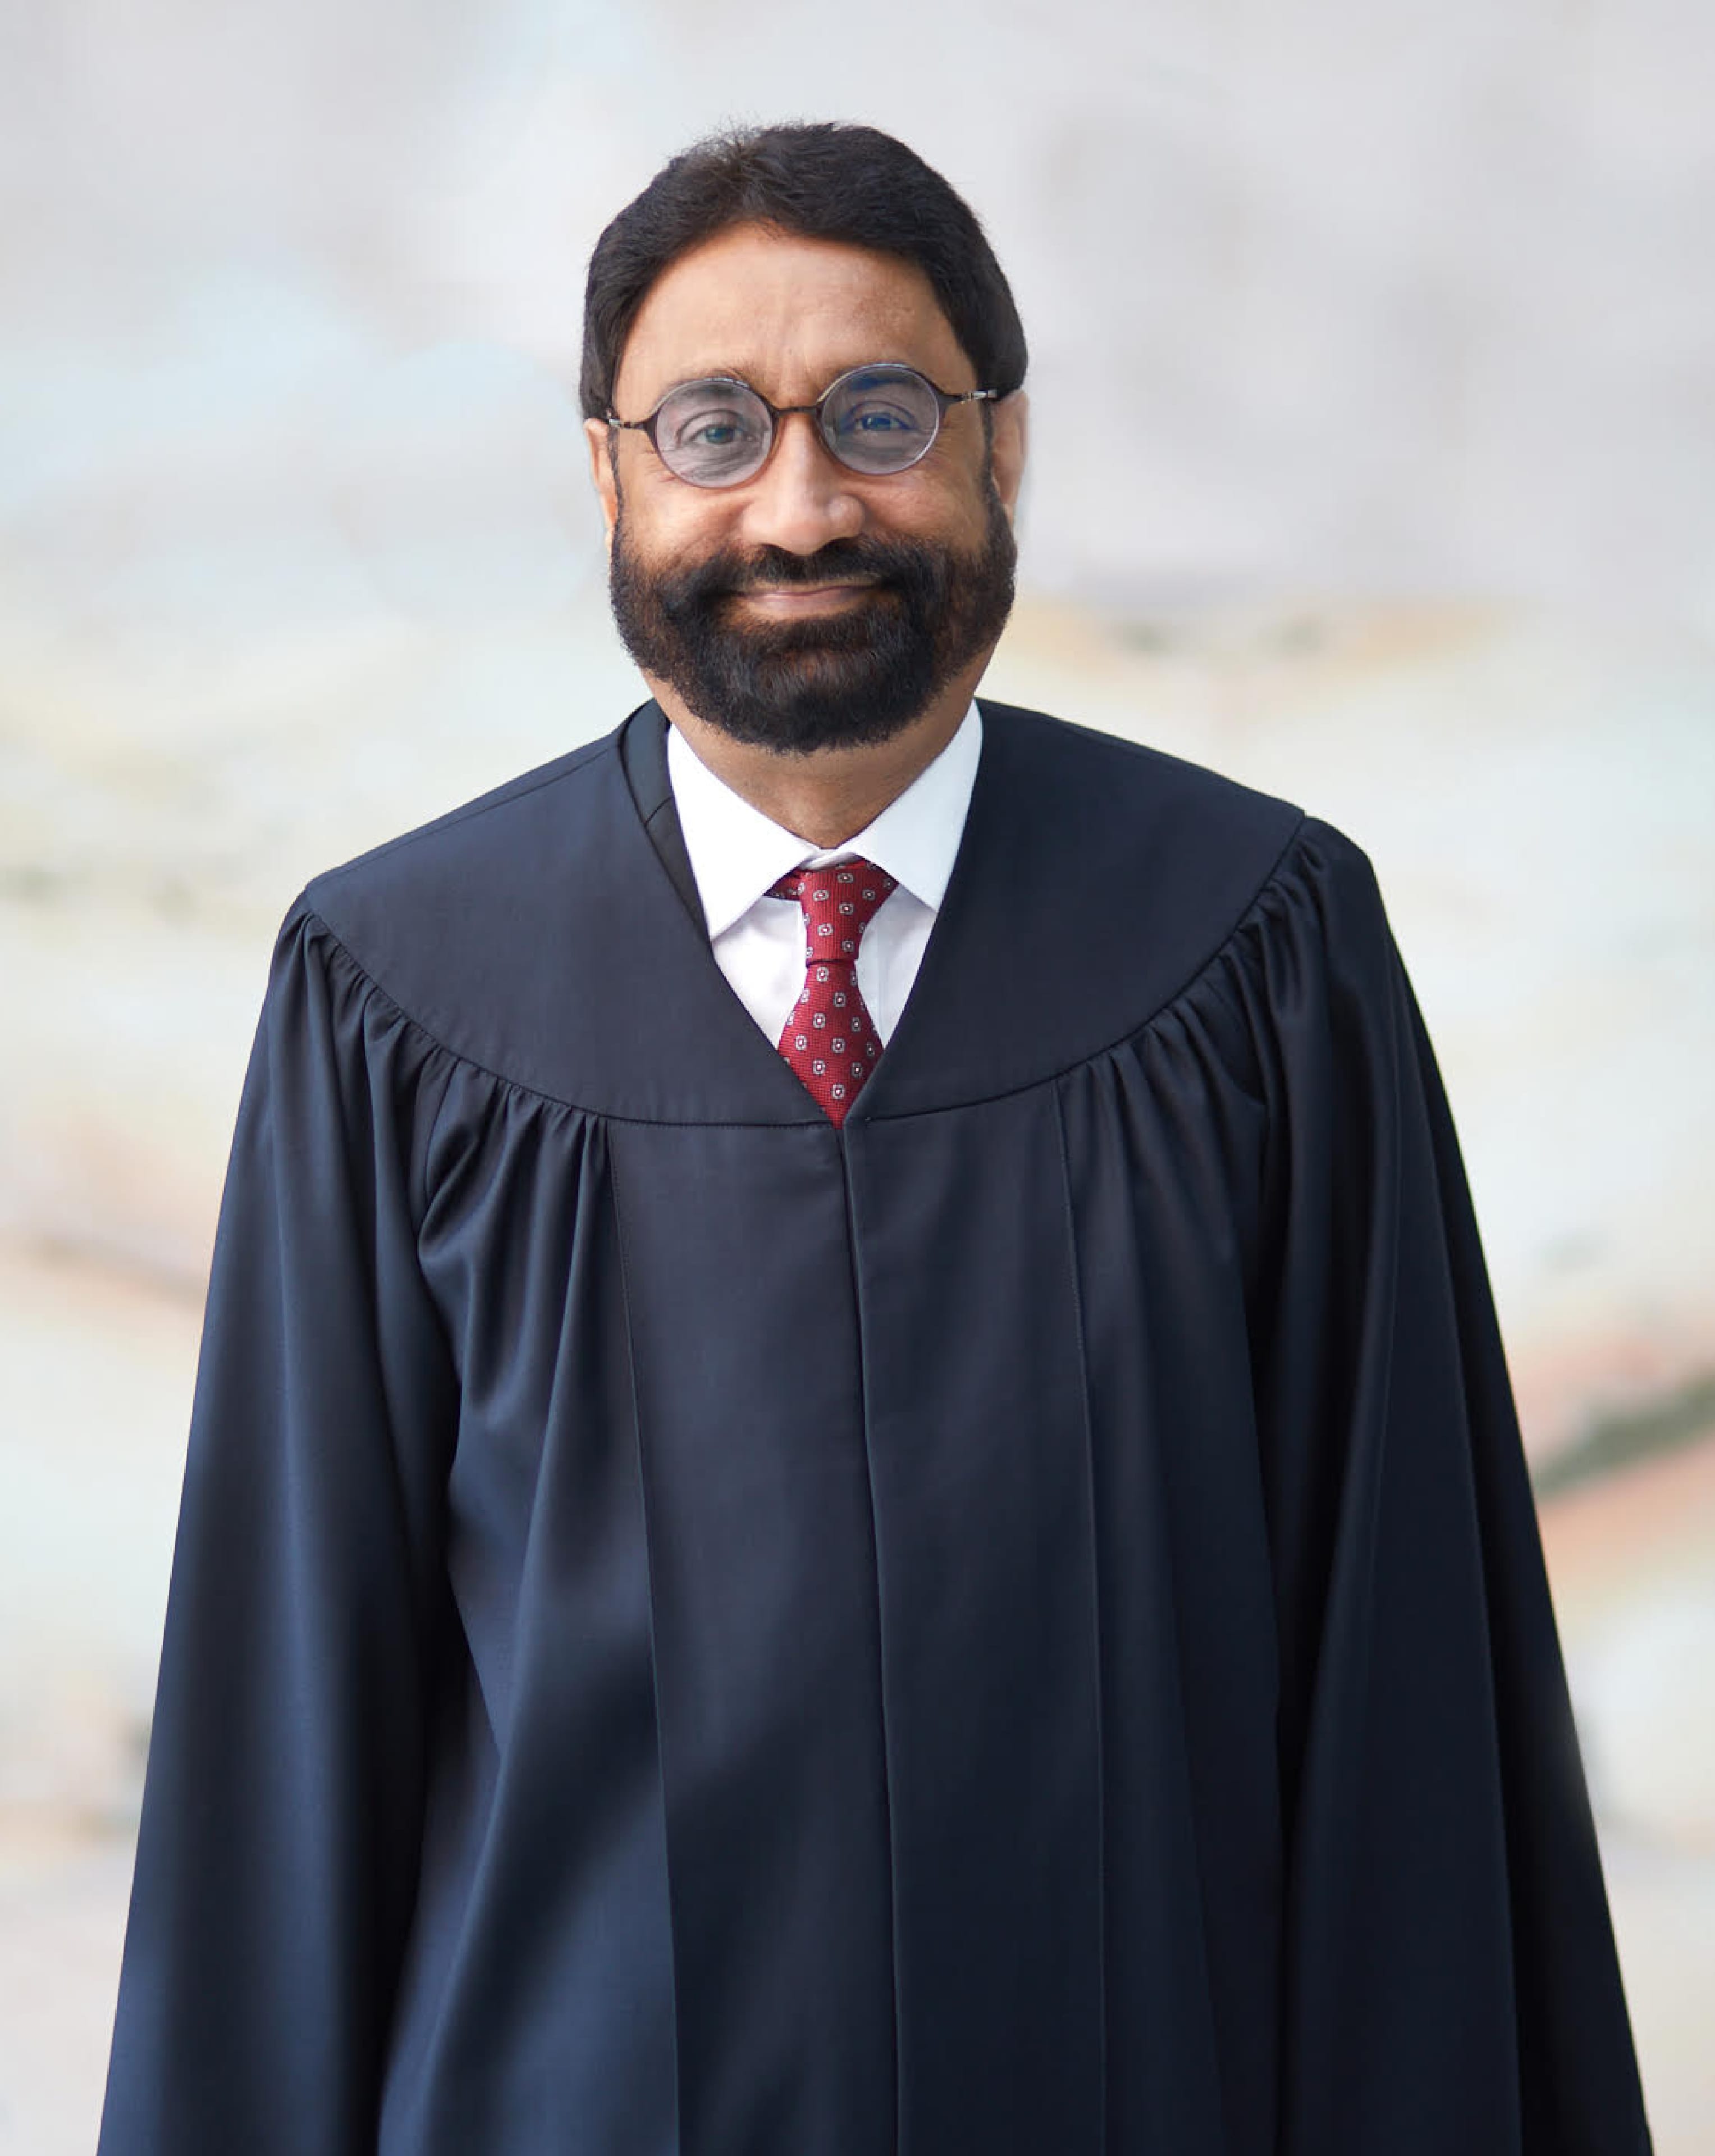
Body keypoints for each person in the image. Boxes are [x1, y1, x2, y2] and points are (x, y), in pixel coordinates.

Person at [98, 122, 1652, 2156]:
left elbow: (1402, 1704)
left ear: (1006, 450)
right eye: (715, 429)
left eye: (883, 415)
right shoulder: (399, 996)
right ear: (610, 476)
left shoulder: (1260, 954)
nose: (804, 505)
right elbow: (281, 1750)